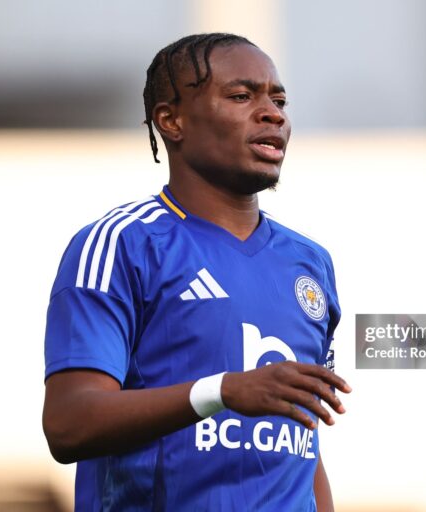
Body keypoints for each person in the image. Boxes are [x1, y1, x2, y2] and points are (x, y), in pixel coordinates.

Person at [42, 33, 350, 511]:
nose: (273, 114)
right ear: (172, 120)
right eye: (242, 96)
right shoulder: (123, 244)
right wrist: (220, 391)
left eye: (279, 100)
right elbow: (68, 423)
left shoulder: (310, 262)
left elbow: (303, 449)